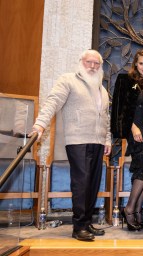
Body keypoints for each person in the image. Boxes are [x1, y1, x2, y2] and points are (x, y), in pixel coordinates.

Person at [30, 49, 111, 241]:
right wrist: (40, 124)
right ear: (81, 62)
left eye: (96, 63)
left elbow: (105, 117)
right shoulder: (68, 80)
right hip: (78, 140)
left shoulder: (103, 89)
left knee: (92, 184)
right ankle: (78, 227)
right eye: (89, 62)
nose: (92, 66)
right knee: (81, 183)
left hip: (98, 141)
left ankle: (87, 223)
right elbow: (53, 102)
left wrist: (107, 139)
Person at [110, 49, 143, 232]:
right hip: (137, 131)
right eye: (141, 63)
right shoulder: (126, 80)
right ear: (135, 64)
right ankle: (128, 209)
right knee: (141, 169)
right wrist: (132, 126)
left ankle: (138, 211)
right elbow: (120, 108)